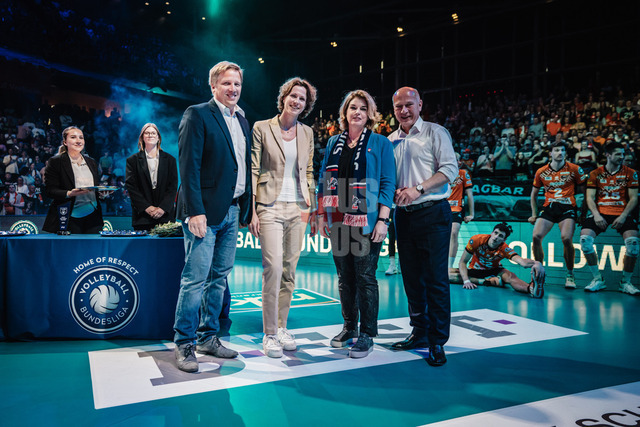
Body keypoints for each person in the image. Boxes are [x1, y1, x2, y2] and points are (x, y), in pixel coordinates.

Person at [173, 61, 253, 373]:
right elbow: (188, 165)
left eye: (237, 84)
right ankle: (184, 342)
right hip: (203, 213)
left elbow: (241, 165)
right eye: (227, 83)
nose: (233, 89)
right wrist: (195, 211)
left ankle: (208, 337)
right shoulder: (197, 114)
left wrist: (246, 207)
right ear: (213, 86)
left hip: (231, 210)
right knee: (195, 279)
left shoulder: (242, 119)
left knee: (218, 278)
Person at [317, 89, 395, 359]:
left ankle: (367, 333)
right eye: (353, 107)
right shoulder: (333, 143)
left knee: (365, 277)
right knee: (345, 278)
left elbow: (388, 183)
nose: (358, 112)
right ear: (345, 112)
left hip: (368, 221)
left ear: (370, 114)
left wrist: (383, 219)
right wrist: (322, 215)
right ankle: (349, 327)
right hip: (338, 219)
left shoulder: (381, 142)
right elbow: (324, 180)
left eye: (363, 108)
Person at [388, 87, 458, 367]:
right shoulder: (390, 140)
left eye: (409, 104)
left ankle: (437, 341)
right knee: (412, 279)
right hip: (403, 216)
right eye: (398, 106)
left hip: (432, 212)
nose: (404, 110)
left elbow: (450, 170)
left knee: (436, 279)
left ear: (419, 104)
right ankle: (419, 332)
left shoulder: (435, 132)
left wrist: (418, 189)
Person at [249, 77, 318, 358]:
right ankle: (269, 334)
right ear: (284, 97)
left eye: (302, 98)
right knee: (274, 268)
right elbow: (254, 169)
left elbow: (309, 170)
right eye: (293, 95)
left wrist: (311, 205)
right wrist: (252, 209)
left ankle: (281, 327)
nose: (296, 101)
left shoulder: (307, 132)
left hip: (299, 207)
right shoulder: (261, 127)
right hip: (269, 205)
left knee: (289, 270)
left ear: (306, 105)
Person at [580, 142, 639, 295]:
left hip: (622, 212)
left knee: (633, 245)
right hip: (601, 212)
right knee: (585, 241)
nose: (622, 157)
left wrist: (623, 216)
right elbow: (589, 197)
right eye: (618, 154)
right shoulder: (595, 173)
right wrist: (596, 215)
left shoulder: (630, 173)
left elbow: (634, 198)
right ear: (608, 155)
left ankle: (625, 283)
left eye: (622, 154)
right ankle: (598, 279)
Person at [529, 141, 588, 289]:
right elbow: (533, 195)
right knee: (536, 237)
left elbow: (585, 192)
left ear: (565, 153)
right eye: (556, 150)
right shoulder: (541, 171)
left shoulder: (575, 169)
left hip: (567, 207)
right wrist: (534, 214)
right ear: (551, 153)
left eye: (562, 150)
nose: (560, 153)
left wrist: (583, 213)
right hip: (549, 207)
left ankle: (570, 274)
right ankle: (539, 272)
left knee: (566, 238)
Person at [449, 222, 546, 298]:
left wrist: (537, 263)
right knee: (447, 274)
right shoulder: (477, 240)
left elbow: (522, 262)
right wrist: (466, 281)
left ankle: (531, 289)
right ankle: (486, 281)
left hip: (494, 271)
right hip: (475, 270)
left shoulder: (504, 248)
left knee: (510, 276)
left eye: (500, 236)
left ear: (504, 240)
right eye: (495, 233)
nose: (496, 237)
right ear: (491, 233)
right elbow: (462, 262)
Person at [43, 126, 104, 234]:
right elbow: (49, 190)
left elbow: (95, 188)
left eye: (81, 137)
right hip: (69, 216)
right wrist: (69, 193)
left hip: (93, 216)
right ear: (65, 142)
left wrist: (102, 193)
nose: (78, 140)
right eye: (73, 137)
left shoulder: (91, 162)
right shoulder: (56, 161)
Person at [125, 123, 178, 231]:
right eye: (147, 133)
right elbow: (131, 187)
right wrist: (147, 208)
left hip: (165, 217)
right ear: (142, 137)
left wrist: (163, 208)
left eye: (153, 133)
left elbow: (172, 187)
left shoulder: (170, 160)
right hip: (142, 217)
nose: (150, 135)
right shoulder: (132, 161)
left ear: (158, 138)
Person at [447, 165, 475, 271]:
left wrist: (471, 214)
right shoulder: (441, 172)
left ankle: (449, 266)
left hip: (456, 209)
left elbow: (470, 194)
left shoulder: (463, 173)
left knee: (453, 233)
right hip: (441, 208)